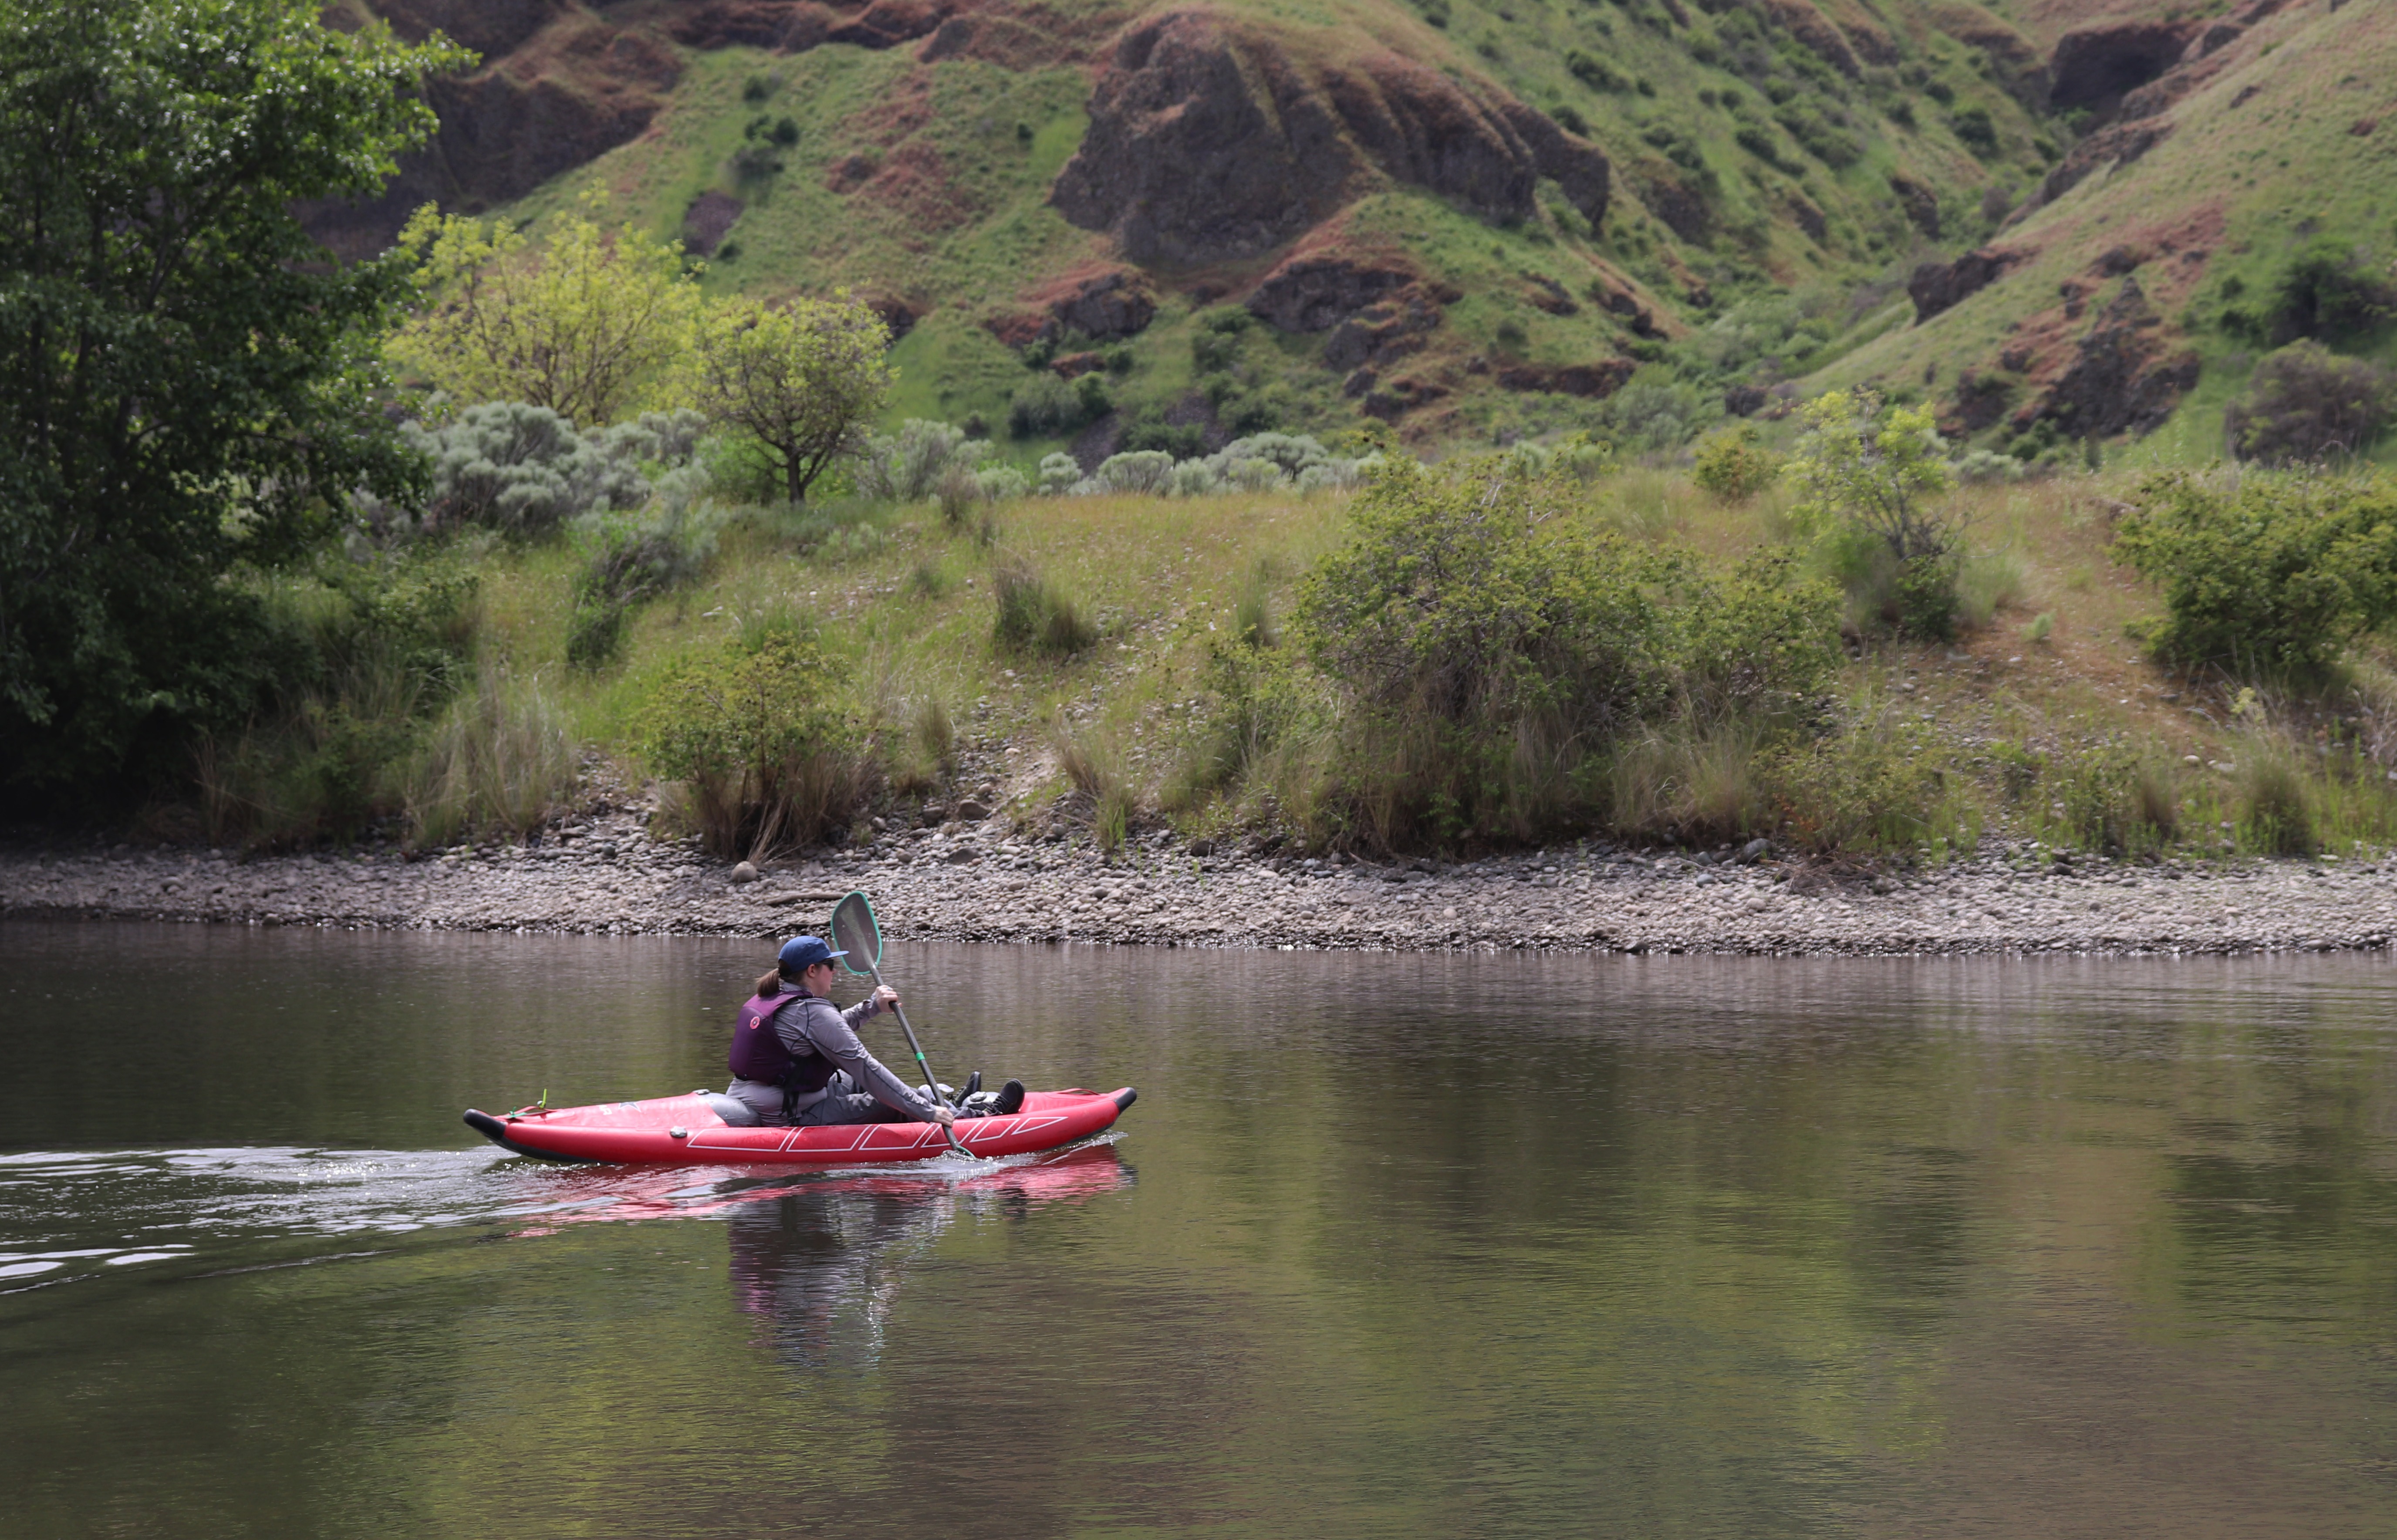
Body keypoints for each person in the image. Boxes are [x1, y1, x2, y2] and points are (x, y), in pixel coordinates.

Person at [724, 935, 1024, 1128]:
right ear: (813, 971)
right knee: (886, 1099)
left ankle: (947, 1102)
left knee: (852, 1080)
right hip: (789, 1113)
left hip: (769, 1096)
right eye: (831, 964)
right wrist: (925, 1112)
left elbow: (828, 1029)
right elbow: (866, 1066)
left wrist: (872, 1007)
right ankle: (975, 1117)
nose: (836, 971)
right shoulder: (811, 1012)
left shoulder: (772, 997)